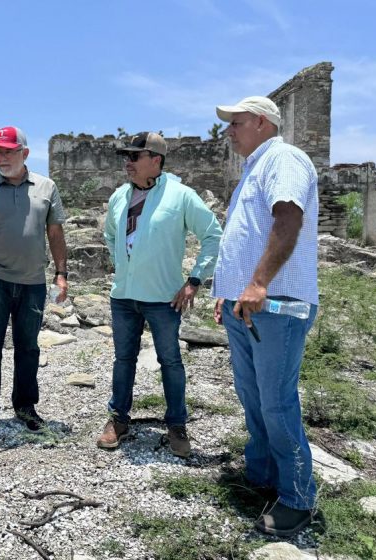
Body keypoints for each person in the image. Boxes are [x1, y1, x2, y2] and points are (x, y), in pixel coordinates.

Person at [212, 96, 319, 536]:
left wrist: (258, 284)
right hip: (248, 306)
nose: (228, 131)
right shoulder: (254, 167)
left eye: (235, 123)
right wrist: (228, 292)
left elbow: (287, 218)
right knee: (252, 396)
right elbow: (244, 236)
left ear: (260, 121)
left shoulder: (285, 159)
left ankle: (298, 498)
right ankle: (263, 473)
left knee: (275, 401)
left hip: (276, 304)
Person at [97, 132, 222, 458]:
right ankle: (118, 420)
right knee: (123, 360)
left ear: (156, 160)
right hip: (123, 296)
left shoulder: (181, 196)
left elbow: (212, 235)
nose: (128, 162)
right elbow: (110, 234)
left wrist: (194, 280)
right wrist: (122, 264)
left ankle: (177, 425)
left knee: (170, 361)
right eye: (126, 156)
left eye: (134, 156)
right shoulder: (119, 197)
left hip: (164, 299)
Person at [0, 126, 68, 438]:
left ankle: (25, 407)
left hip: (33, 282)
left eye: (9, 151)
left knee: (28, 348)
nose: (3, 157)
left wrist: (61, 273)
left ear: (25, 153)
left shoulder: (47, 187)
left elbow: (56, 233)